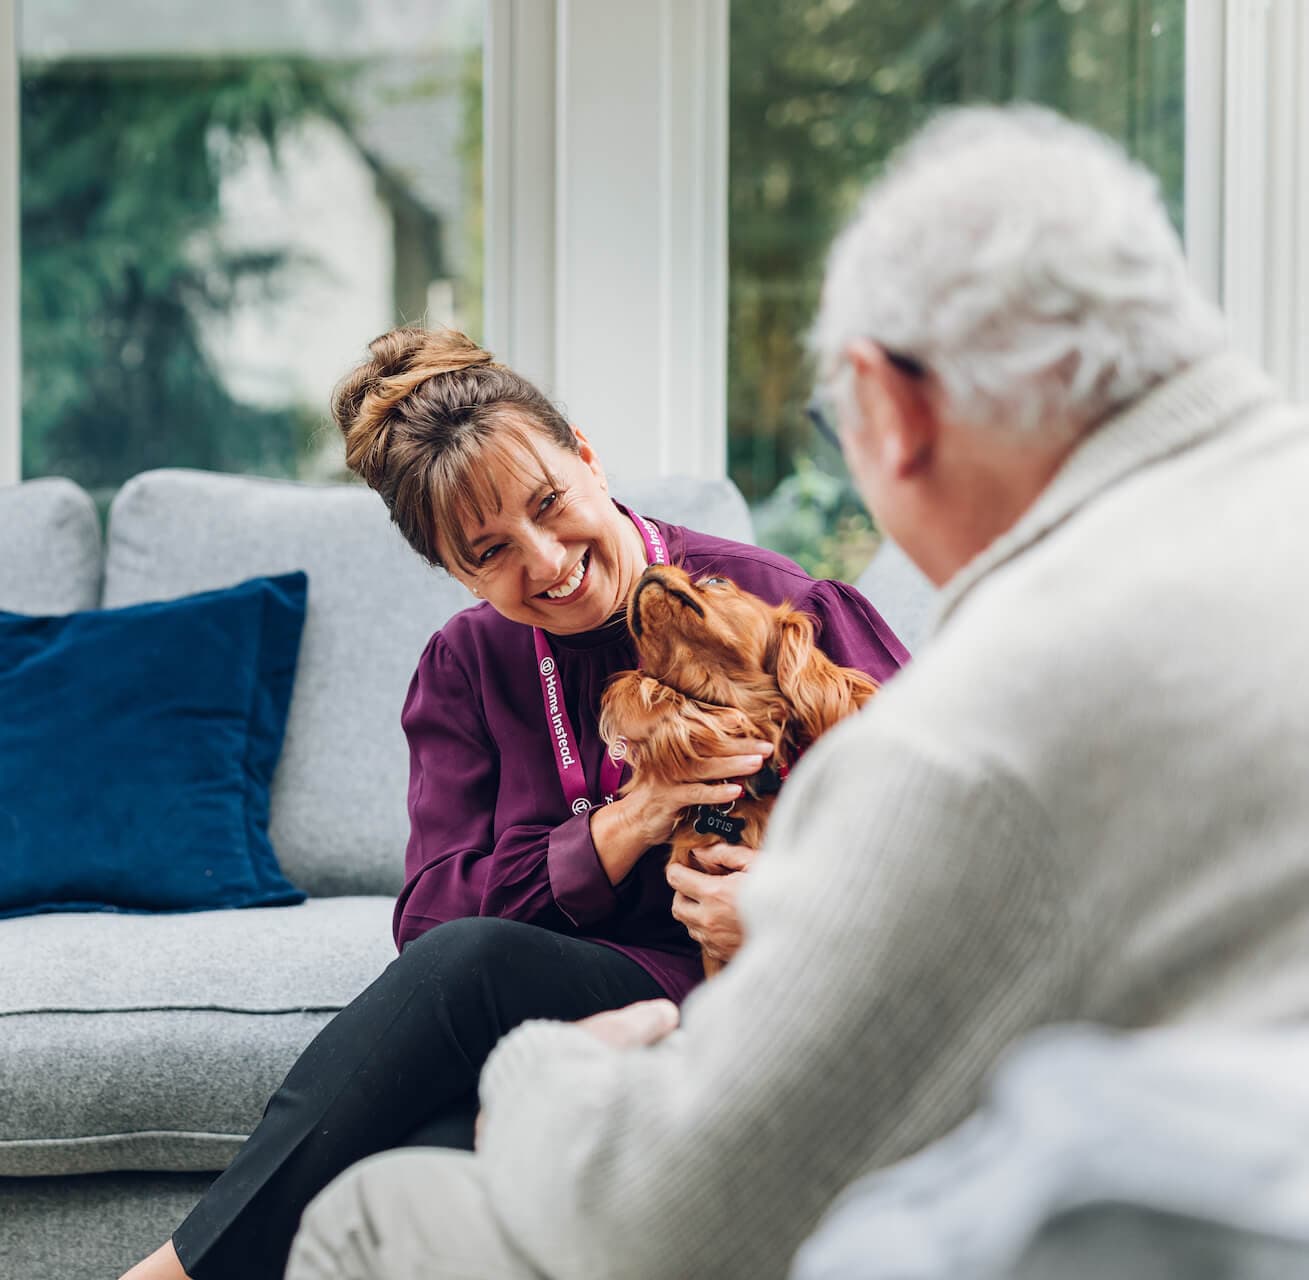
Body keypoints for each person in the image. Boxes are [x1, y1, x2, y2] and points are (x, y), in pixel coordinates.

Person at [285, 104, 1309, 1280]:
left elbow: (681, 1212)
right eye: (485, 551)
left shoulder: (988, 717)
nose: (544, 560)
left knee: (375, 1210)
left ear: (893, 409)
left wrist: (545, 1072)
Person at [118, 329, 906, 1280]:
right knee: (431, 1140)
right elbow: (432, 920)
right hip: (592, 997)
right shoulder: (467, 666)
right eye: (490, 552)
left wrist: (788, 904)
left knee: (466, 1012)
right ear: (454, 572)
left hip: (764, 988)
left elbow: (941, 833)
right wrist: (623, 823)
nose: (545, 563)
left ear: (585, 454)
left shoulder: (772, 604)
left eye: (550, 505)